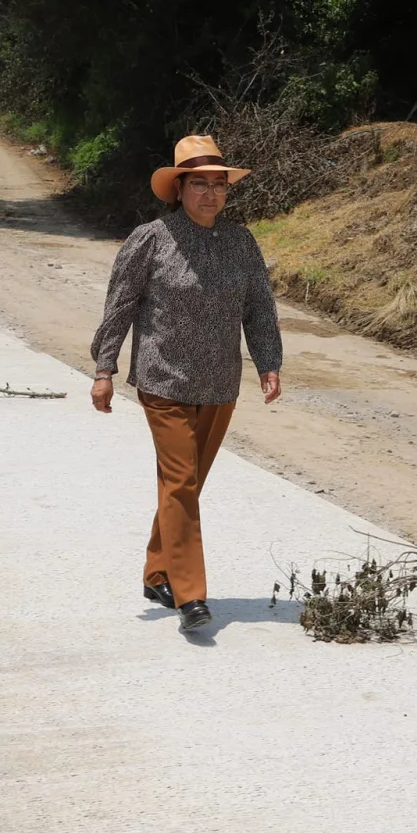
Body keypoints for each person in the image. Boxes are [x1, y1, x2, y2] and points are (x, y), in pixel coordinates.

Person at [90, 135, 284, 633]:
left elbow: (258, 306)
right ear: (178, 188)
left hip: (220, 383)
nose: (210, 194)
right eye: (199, 183)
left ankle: (157, 571)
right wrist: (104, 369)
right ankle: (190, 596)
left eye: (219, 184)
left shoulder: (241, 242)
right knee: (181, 482)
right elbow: (120, 307)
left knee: (185, 486)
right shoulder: (151, 239)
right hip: (164, 380)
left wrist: (268, 361)